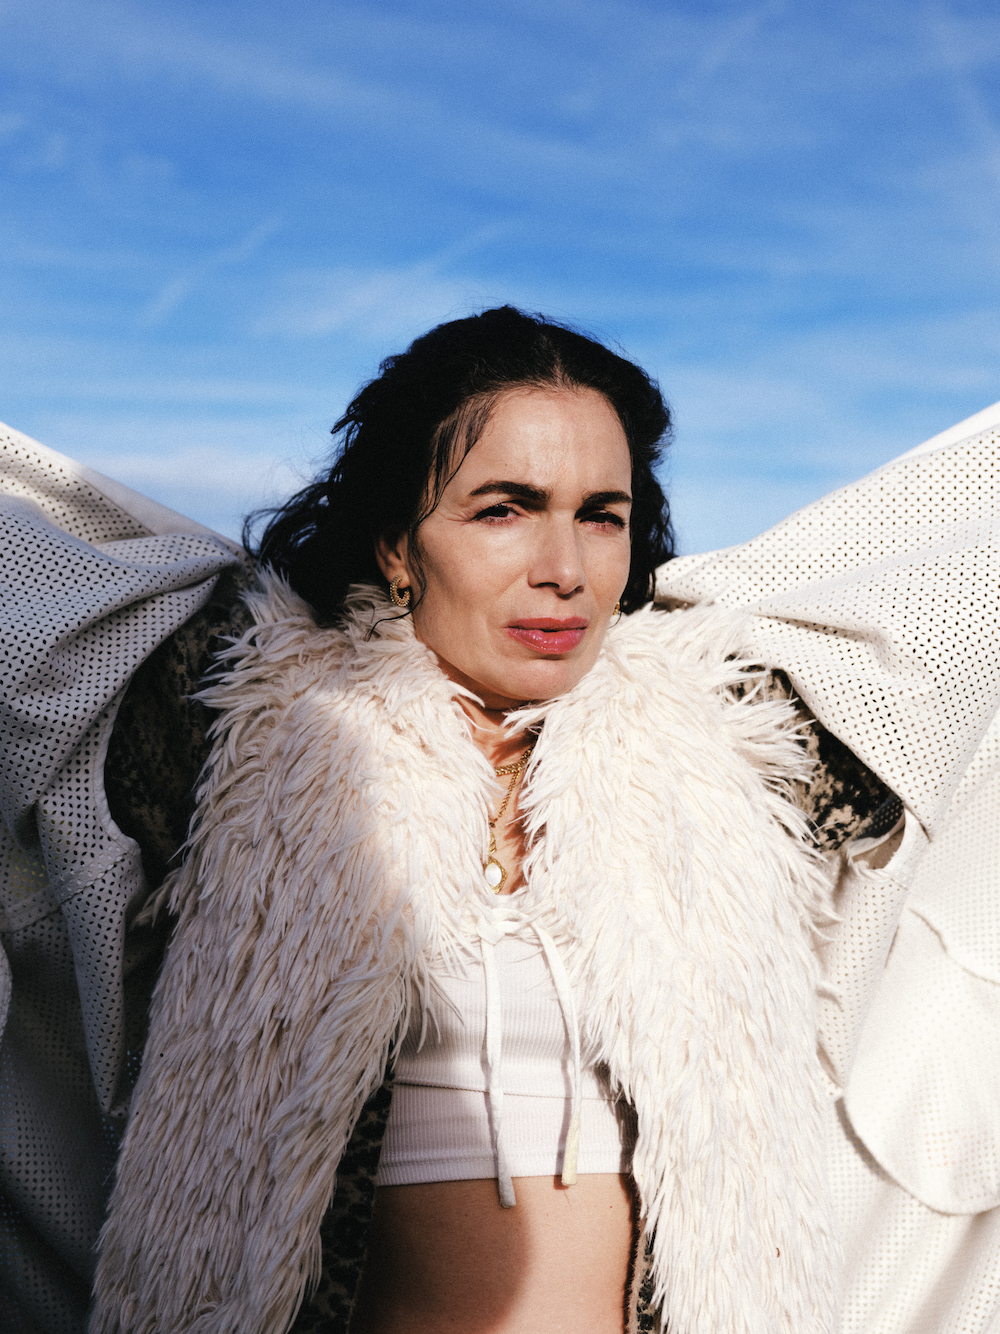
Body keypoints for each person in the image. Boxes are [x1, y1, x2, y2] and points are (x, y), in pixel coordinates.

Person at [86, 306, 842, 1334]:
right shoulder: (249, 724)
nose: (564, 567)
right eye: (504, 509)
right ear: (398, 544)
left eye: (602, 515)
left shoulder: (729, 749)